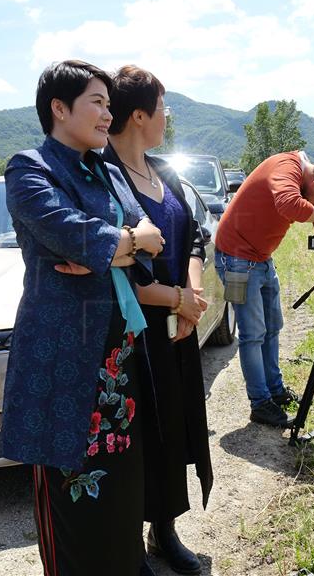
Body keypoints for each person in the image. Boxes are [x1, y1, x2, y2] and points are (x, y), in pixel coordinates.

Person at [0, 59, 165, 576]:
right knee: (72, 505)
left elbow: (149, 241)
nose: (106, 115)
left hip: (117, 357)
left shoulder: (109, 169)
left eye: (110, 105)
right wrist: (115, 242)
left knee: (121, 492)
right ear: (58, 107)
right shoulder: (30, 168)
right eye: (97, 102)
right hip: (63, 364)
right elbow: (72, 234)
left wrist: (118, 245)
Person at [101, 65, 213, 576]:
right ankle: (127, 542)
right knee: (136, 439)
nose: (168, 116)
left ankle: (163, 530)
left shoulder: (163, 171)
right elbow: (113, 271)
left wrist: (190, 290)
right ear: (141, 115)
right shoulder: (103, 178)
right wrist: (175, 300)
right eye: (164, 107)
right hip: (130, 339)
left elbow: (192, 235)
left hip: (173, 327)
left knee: (172, 426)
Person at [214, 151, 314, 427]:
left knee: (272, 328)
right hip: (235, 259)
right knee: (252, 334)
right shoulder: (286, 167)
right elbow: (289, 204)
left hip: (261, 259)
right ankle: (260, 403)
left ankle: (275, 391)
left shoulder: (306, 182)